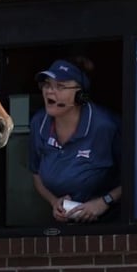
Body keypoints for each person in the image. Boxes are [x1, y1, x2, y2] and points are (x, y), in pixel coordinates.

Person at [28, 56, 122, 223]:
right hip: (65, 221)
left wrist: (104, 202)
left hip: (110, 223)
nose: (50, 91)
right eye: (47, 85)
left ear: (80, 96)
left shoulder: (105, 126)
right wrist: (53, 201)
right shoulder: (38, 123)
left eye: (60, 86)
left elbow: (135, 177)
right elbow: (36, 173)